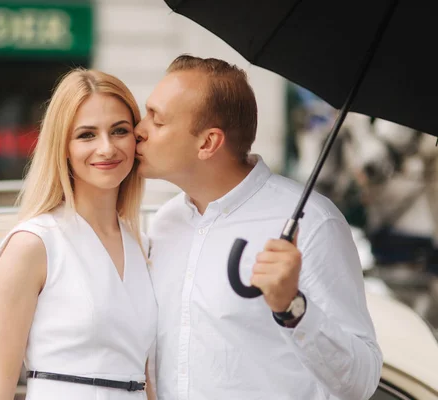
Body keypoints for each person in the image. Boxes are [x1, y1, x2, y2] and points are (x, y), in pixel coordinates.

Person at [135, 55, 383, 400]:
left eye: (156, 121)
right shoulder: (165, 223)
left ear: (208, 143)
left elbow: (362, 381)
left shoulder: (312, 223)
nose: (138, 131)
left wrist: (292, 307)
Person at [0, 68, 157, 400]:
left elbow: (145, 379)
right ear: (62, 146)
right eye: (87, 135)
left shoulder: (142, 245)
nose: (106, 148)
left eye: (119, 130)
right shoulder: (34, 244)